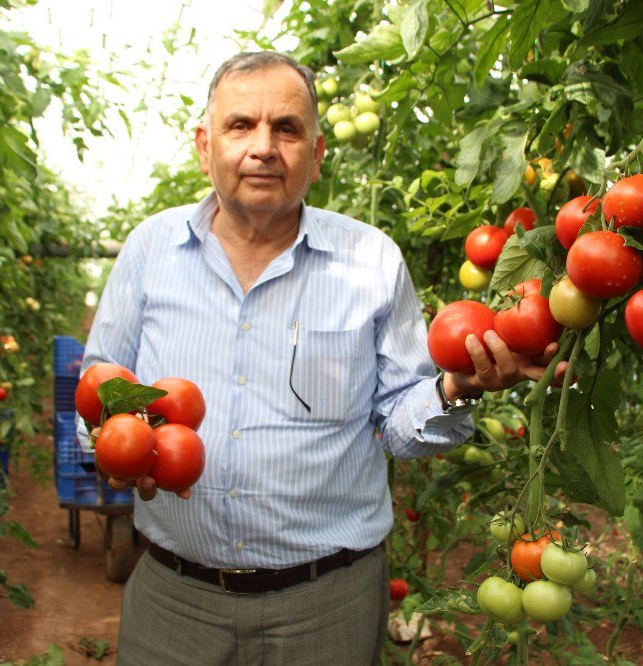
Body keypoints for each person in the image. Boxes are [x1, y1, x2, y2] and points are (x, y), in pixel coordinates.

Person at [78, 51, 562, 665]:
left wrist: (455, 387)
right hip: (174, 597)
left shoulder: (371, 262)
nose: (264, 147)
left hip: (325, 603)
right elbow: (98, 390)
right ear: (204, 146)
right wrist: (113, 446)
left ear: (317, 152)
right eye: (239, 126)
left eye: (287, 128)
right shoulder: (150, 251)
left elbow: (397, 422)